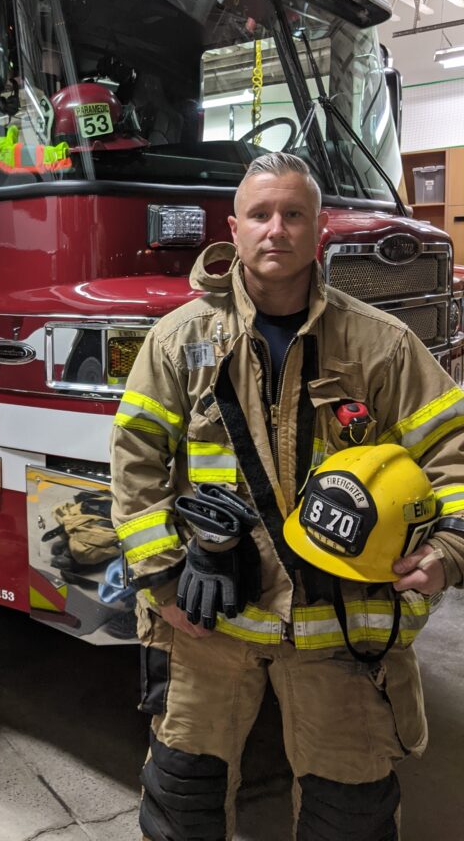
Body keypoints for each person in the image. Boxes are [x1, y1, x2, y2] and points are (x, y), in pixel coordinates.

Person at [110, 152, 464, 841]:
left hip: (342, 628)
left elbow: (453, 449)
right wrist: (163, 580)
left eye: (294, 214)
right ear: (234, 229)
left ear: (319, 228)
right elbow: (136, 461)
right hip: (210, 624)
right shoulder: (179, 339)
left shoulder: (382, 345)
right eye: (261, 214)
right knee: (183, 801)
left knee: (350, 817)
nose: (277, 229)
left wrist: (449, 549)